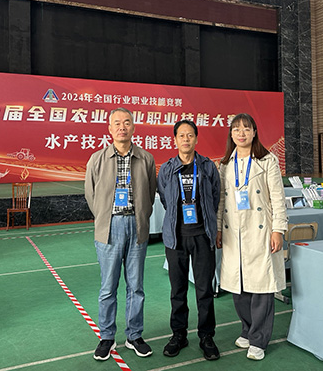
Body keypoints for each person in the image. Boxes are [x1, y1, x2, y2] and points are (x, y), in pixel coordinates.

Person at [84, 108, 157, 361]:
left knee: (136, 287)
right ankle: (107, 336)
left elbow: (150, 194)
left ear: (133, 127)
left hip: (137, 227)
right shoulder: (97, 159)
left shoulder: (146, 159)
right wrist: (105, 217)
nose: (122, 127)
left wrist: (140, 217)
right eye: (117, 123)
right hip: (109, 228)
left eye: (127, 123)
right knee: (108, 287)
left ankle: (134, 335)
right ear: (109, 129)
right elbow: (90, 194)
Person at [215, 113, 287, 361]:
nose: (241, 133)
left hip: (261, 230)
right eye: (236, 129)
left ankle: (258, 339)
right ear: (231, 134)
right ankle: (247, 329)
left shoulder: (267, 160)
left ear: (255, 132)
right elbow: (221, 200)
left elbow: (277, 198)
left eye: (246, 128)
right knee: (239, 285)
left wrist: (278, 230)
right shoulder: (225, 164)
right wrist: (218, 228)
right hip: (233, 231)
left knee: (261, 286)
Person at [157, 120, 221, 361]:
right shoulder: (167, 168)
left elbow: (215, 196)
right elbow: (165, 198)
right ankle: (179, 334)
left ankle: (206, 336)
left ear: (196, 139)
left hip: (202, 236)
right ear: (175, 139)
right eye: (181, 135)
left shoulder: (207, 167)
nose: (186, 139)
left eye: (190, 135)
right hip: (176, 238)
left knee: (205, 290)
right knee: (178, 290)